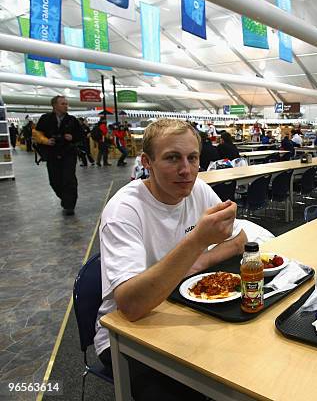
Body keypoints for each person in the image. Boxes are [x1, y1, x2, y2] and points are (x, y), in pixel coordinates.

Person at [94, 118, 246, 400]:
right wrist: (198, 241)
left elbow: (239, 239)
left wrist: (197, 263)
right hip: (125, 336)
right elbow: (131, 305)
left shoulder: (197, 188)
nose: (186, 170)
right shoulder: (124, 212)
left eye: (193, 158)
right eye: (172, 158)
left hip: (180, 309)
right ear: (146, 163)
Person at [32, 96, 83, 216]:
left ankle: (69, 205)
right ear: (54, 105)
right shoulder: (45, 119)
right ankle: (65, 198)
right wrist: (46, 141)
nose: (66, 106)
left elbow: (81, 135)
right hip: (52, 154)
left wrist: (73, 137)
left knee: (68, 178)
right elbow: (37, 134)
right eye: (63, 104)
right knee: (54, 180)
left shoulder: (72, 120)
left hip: (68, 153)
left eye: (66, 104)